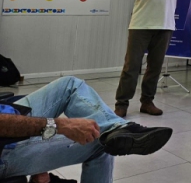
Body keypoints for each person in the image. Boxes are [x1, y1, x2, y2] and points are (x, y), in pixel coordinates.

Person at [0, 76, 173, 182]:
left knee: (69, 85)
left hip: (6, 112)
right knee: (100, 138)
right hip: (4, 149)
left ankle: (119, 127)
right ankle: (115, 131)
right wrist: (58, 125)